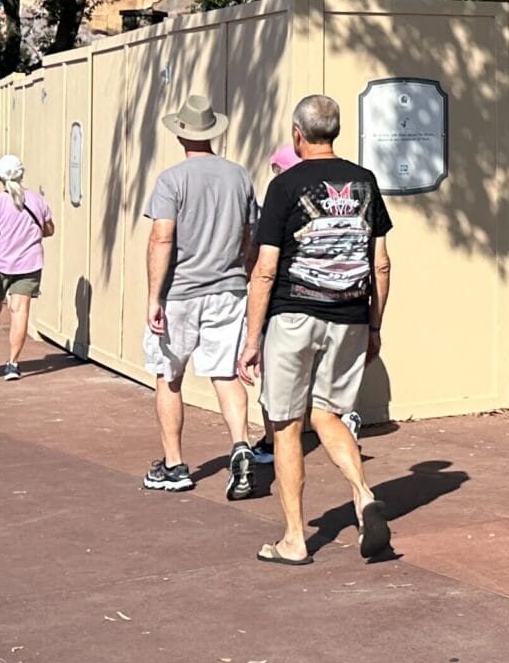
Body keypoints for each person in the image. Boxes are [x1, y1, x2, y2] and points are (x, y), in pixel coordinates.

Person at [241, 93, 394, 564]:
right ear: (337, 131)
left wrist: (251, 340)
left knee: (287, 424)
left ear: (297, 134)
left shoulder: (285, 187)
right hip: (349, 314)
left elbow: (265, 269)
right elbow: (382, 264)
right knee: (328, 414)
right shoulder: (365, 182)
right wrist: (373, 325)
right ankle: (363, 494)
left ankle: (294, 538)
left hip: (293, 313)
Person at [138, 96, 261, 497]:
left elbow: (162, 237)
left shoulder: (171, 180)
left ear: (180, 133)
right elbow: (250, 236)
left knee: (168, 377)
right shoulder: (239, 176)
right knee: (225, 375)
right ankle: (241, 444)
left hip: (181, 292)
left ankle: (174, 465)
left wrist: (154, 296)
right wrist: (241, 268)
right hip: (228, 288)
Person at [0, 153, 53, 381]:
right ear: (22, 174)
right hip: (29, 263)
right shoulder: (37, 200)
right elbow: (49, 229)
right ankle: (13, 363)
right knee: (20, 312)